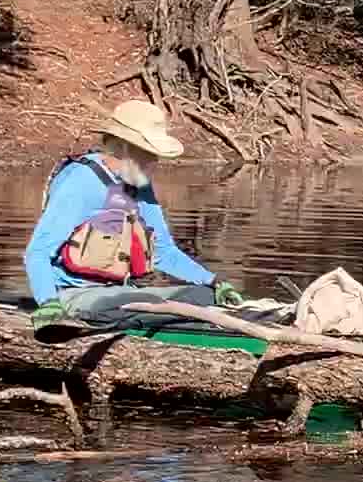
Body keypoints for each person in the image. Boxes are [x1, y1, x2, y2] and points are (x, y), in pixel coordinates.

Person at [23, 100, 244, 332]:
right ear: (122, 147)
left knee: (205, 296)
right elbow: (37, 253)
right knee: (161, 307)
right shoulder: (81, 182)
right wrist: (49, 303)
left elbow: (163, 252)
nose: (155, 162)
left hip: (122, 293)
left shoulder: (139, 184)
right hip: (75, 297)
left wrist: (214, 281)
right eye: (148, 154)